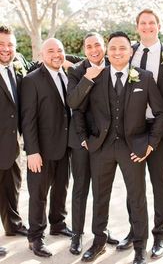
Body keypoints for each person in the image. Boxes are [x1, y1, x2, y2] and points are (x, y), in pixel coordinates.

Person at [75, 31, 163, 264]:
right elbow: (76, 106)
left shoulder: (144, 78)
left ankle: (139, 248)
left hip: (133, 148)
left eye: (122, 48)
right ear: (107, 51)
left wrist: (150, 143)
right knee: (100, 197)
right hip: (101, 147)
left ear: (131, 51)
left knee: (137, 198)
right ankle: (98, 242)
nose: (117, 52)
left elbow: (161, 113)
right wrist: (84, 137)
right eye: (113, 48)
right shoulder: (96, 75)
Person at [117, 9, 163, 259]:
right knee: (134, 186)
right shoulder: (127, 51)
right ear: (137, 27)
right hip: (132, 130)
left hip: (160, 129)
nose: (147, 27)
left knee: (159, 183)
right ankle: (135, 232)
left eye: (151, 23)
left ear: (159, 25)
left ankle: (160, 235)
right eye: (142, 23)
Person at [67, 32, 119, 255]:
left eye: (97, 45)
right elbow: (74, 104)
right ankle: (77, 235)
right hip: (81, 140)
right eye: (89, 46)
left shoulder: (113, 67)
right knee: (80, 188)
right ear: (84, 50)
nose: (94, 49)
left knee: (102, 189)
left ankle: (102, 231)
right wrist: (88, 78)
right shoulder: (76, 71)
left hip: (105, 140)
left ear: (104, 46)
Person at [21, 38, 72, 258]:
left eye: (60, 50)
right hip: (40, 150)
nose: (56, 54)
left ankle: (58, 223)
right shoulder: (31, 80)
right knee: (38, 194)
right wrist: (32, 151)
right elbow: (28, 119)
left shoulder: (67, 75)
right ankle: (35, 237)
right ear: (42, 55)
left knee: (61, 189)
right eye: (51, 51)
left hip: (64, 147)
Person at [0, 26, 28, 256]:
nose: (6, 49)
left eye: (10, 44)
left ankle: (14, 225)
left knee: (12, 185)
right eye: (1, 45)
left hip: (11, 143)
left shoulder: (16, 67)